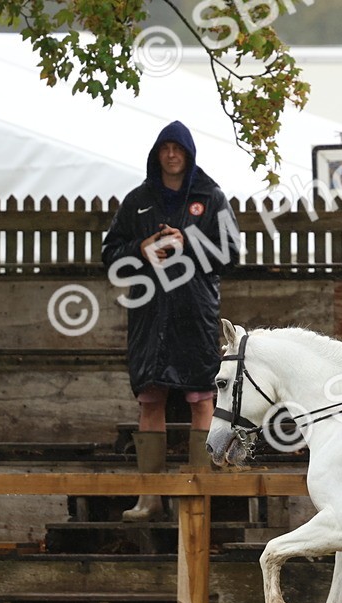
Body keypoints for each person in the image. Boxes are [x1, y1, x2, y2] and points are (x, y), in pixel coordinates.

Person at [101, 120, 238, 521]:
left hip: (195, 313)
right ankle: (150, 498)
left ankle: (195, 498)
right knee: (150, 397)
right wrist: (141, 248)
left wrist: (187, 242)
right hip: (150, 315)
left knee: (201, 397)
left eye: (178, 148)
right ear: (156, 154)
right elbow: (110, 254)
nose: (172, 154)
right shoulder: (138, 200)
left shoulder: (211, 197)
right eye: (166, 148)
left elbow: (231, 252)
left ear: (189, 154)